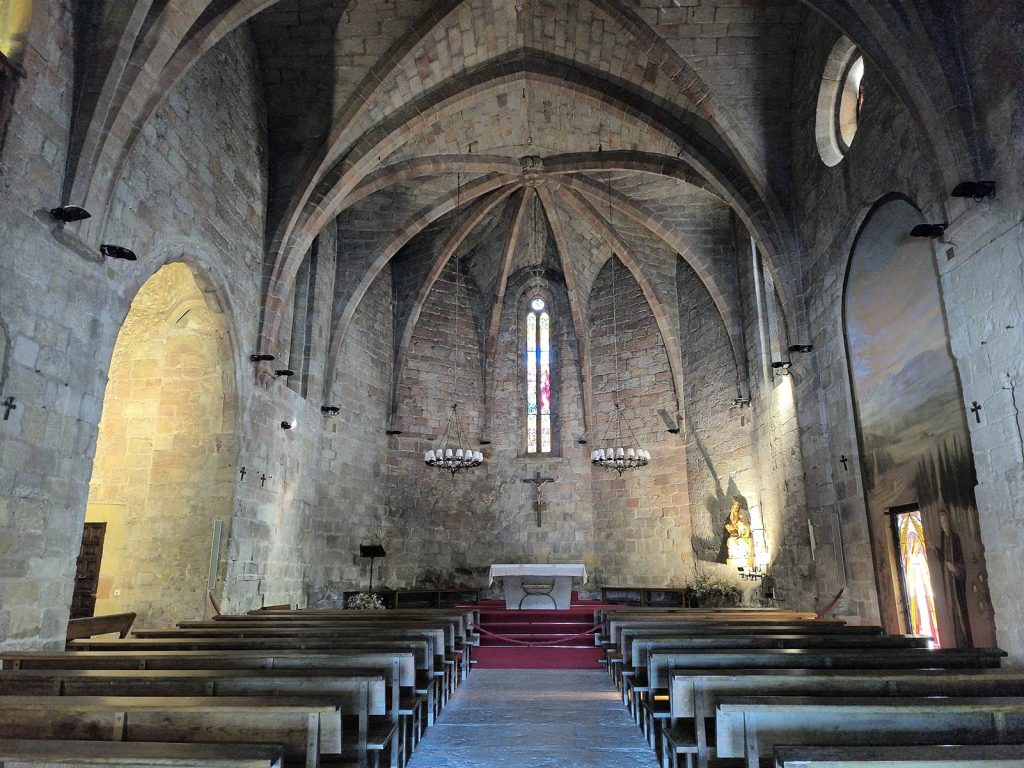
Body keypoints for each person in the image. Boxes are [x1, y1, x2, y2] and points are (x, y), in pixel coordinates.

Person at [937, 510, 973, 647]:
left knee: (961, 611)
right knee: (952, 614)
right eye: (941, 522)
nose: (944, 524)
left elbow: (962, 562)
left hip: (957, 584)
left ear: (949, 522)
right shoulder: (943, 538)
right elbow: (942, 557)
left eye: (945, 521)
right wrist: (934, 549)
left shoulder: (955, 538)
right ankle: (957, 643)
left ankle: (966, 643)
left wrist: (955, 568)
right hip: (948, 584)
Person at [725, 498, 754, 569]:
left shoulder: (741, 515)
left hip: (743, 535)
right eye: (734, 507)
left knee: (741, 541)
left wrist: (740, 524)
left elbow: (745, 524)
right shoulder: (731, 517)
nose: (735, 509)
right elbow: (732, 525)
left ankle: (745, 556)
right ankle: (732, 556)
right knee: (730, 540)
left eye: (737, 507)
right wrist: (731, 527)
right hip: (735, 534)